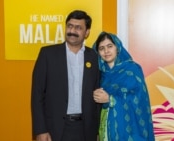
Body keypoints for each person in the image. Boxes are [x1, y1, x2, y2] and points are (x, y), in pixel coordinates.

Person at [31, 10, 101, 141]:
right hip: (54, 129)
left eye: (78, 28)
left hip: (86, 129)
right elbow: (37, 94)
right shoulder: (47, 54)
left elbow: (97, 97)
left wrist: (97, 131)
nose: (72, 31)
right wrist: (40, 130)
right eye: (70, 26)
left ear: (87, 32)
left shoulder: (94, 57)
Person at [92, 31, 155, 141]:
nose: (106, 51)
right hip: (106, 129)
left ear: (118, 48)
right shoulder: (99, 74)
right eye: (101, 48)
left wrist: (111, 99)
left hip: (130, 130)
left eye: (109, 46)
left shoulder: (132, 69)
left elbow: (139, 99)